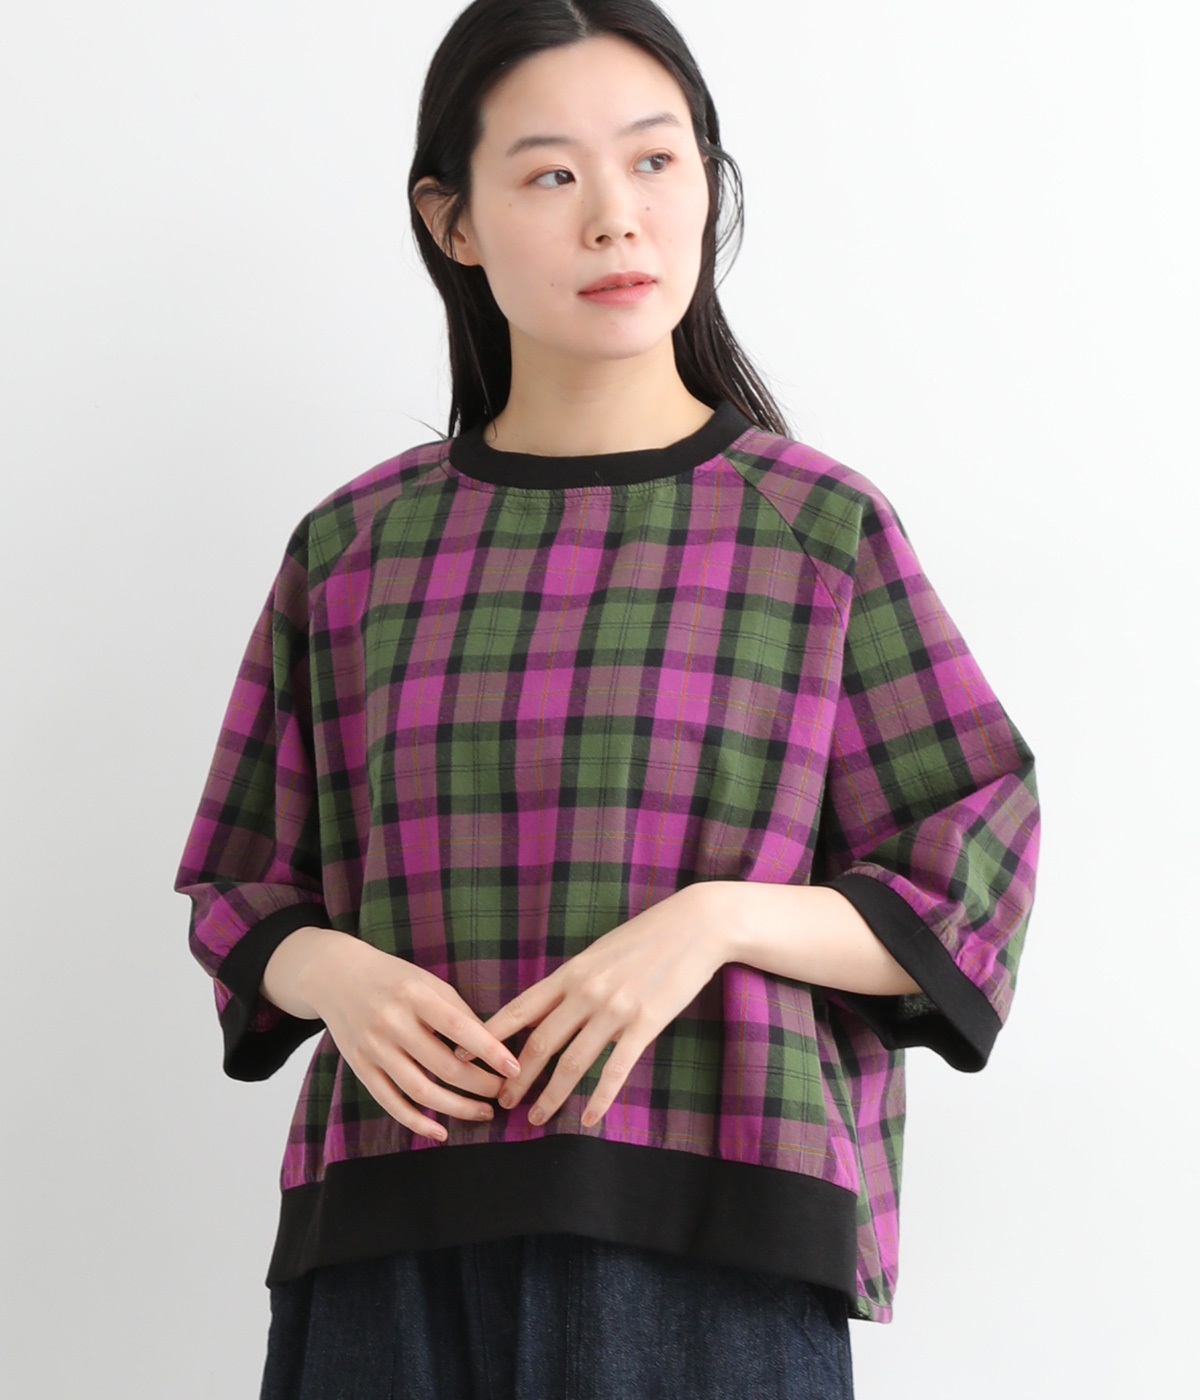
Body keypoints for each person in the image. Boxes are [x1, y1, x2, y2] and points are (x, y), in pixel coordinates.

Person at [175, 1, 1040, 1395]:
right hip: (391, 1233)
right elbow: (238, 883)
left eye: (654, 160)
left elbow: (972, 867)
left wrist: (713, 922)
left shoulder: (817, 532)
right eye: (550, 174)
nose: (614, 218)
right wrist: (329, 970)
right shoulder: (352, 550)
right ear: (453, 222)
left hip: (713, 1240)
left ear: (707, 183)